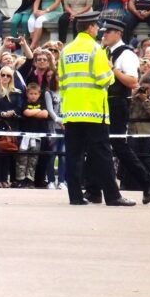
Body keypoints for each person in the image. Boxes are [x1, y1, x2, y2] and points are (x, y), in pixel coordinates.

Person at [58, 11, 135, 206]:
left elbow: (62, 83)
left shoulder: (66, 50)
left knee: (74, 154)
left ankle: (75, 196)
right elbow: (104, 80)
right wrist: (111, 73)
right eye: (96, 27)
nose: (98, 30)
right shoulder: (95, 50)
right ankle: (113, 196)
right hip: (93, 111)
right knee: (102, 154)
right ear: (90, 27)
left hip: (71, 111)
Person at [84, 18, 150, 204]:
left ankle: (147, 181)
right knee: (98, 146)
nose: (104, 35)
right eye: (103, 32)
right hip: (104, 104)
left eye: (108, 32)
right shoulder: (105, 51)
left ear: (118, 33)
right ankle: (93, 189)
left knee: (117, 146)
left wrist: (113, 69)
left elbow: (133, 82)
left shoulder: (127, 55)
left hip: (117, 105)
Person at [0, 65, 22, 188]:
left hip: (12, 124)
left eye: (8, 75)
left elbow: (20, 106)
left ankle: (6, 179)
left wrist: (12, 112)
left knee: (9, 153)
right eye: (3, 74)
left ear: (12, 78)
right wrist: (1, 113)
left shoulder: (17, 92)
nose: (5, 77)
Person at [16, 83, 49, 188]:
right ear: (27, 94)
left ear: (39, 94)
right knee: (22, 158)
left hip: (37, 136)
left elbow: (45, 114)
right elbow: (26, 113)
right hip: (25, 136)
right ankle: (21, 180)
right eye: (31, 93)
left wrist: (34, 112)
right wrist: (38, 111)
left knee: (33, 159)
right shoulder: (24, 103)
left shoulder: (42, 103)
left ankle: (30, 180)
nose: (33, 96)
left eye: (35, 93)